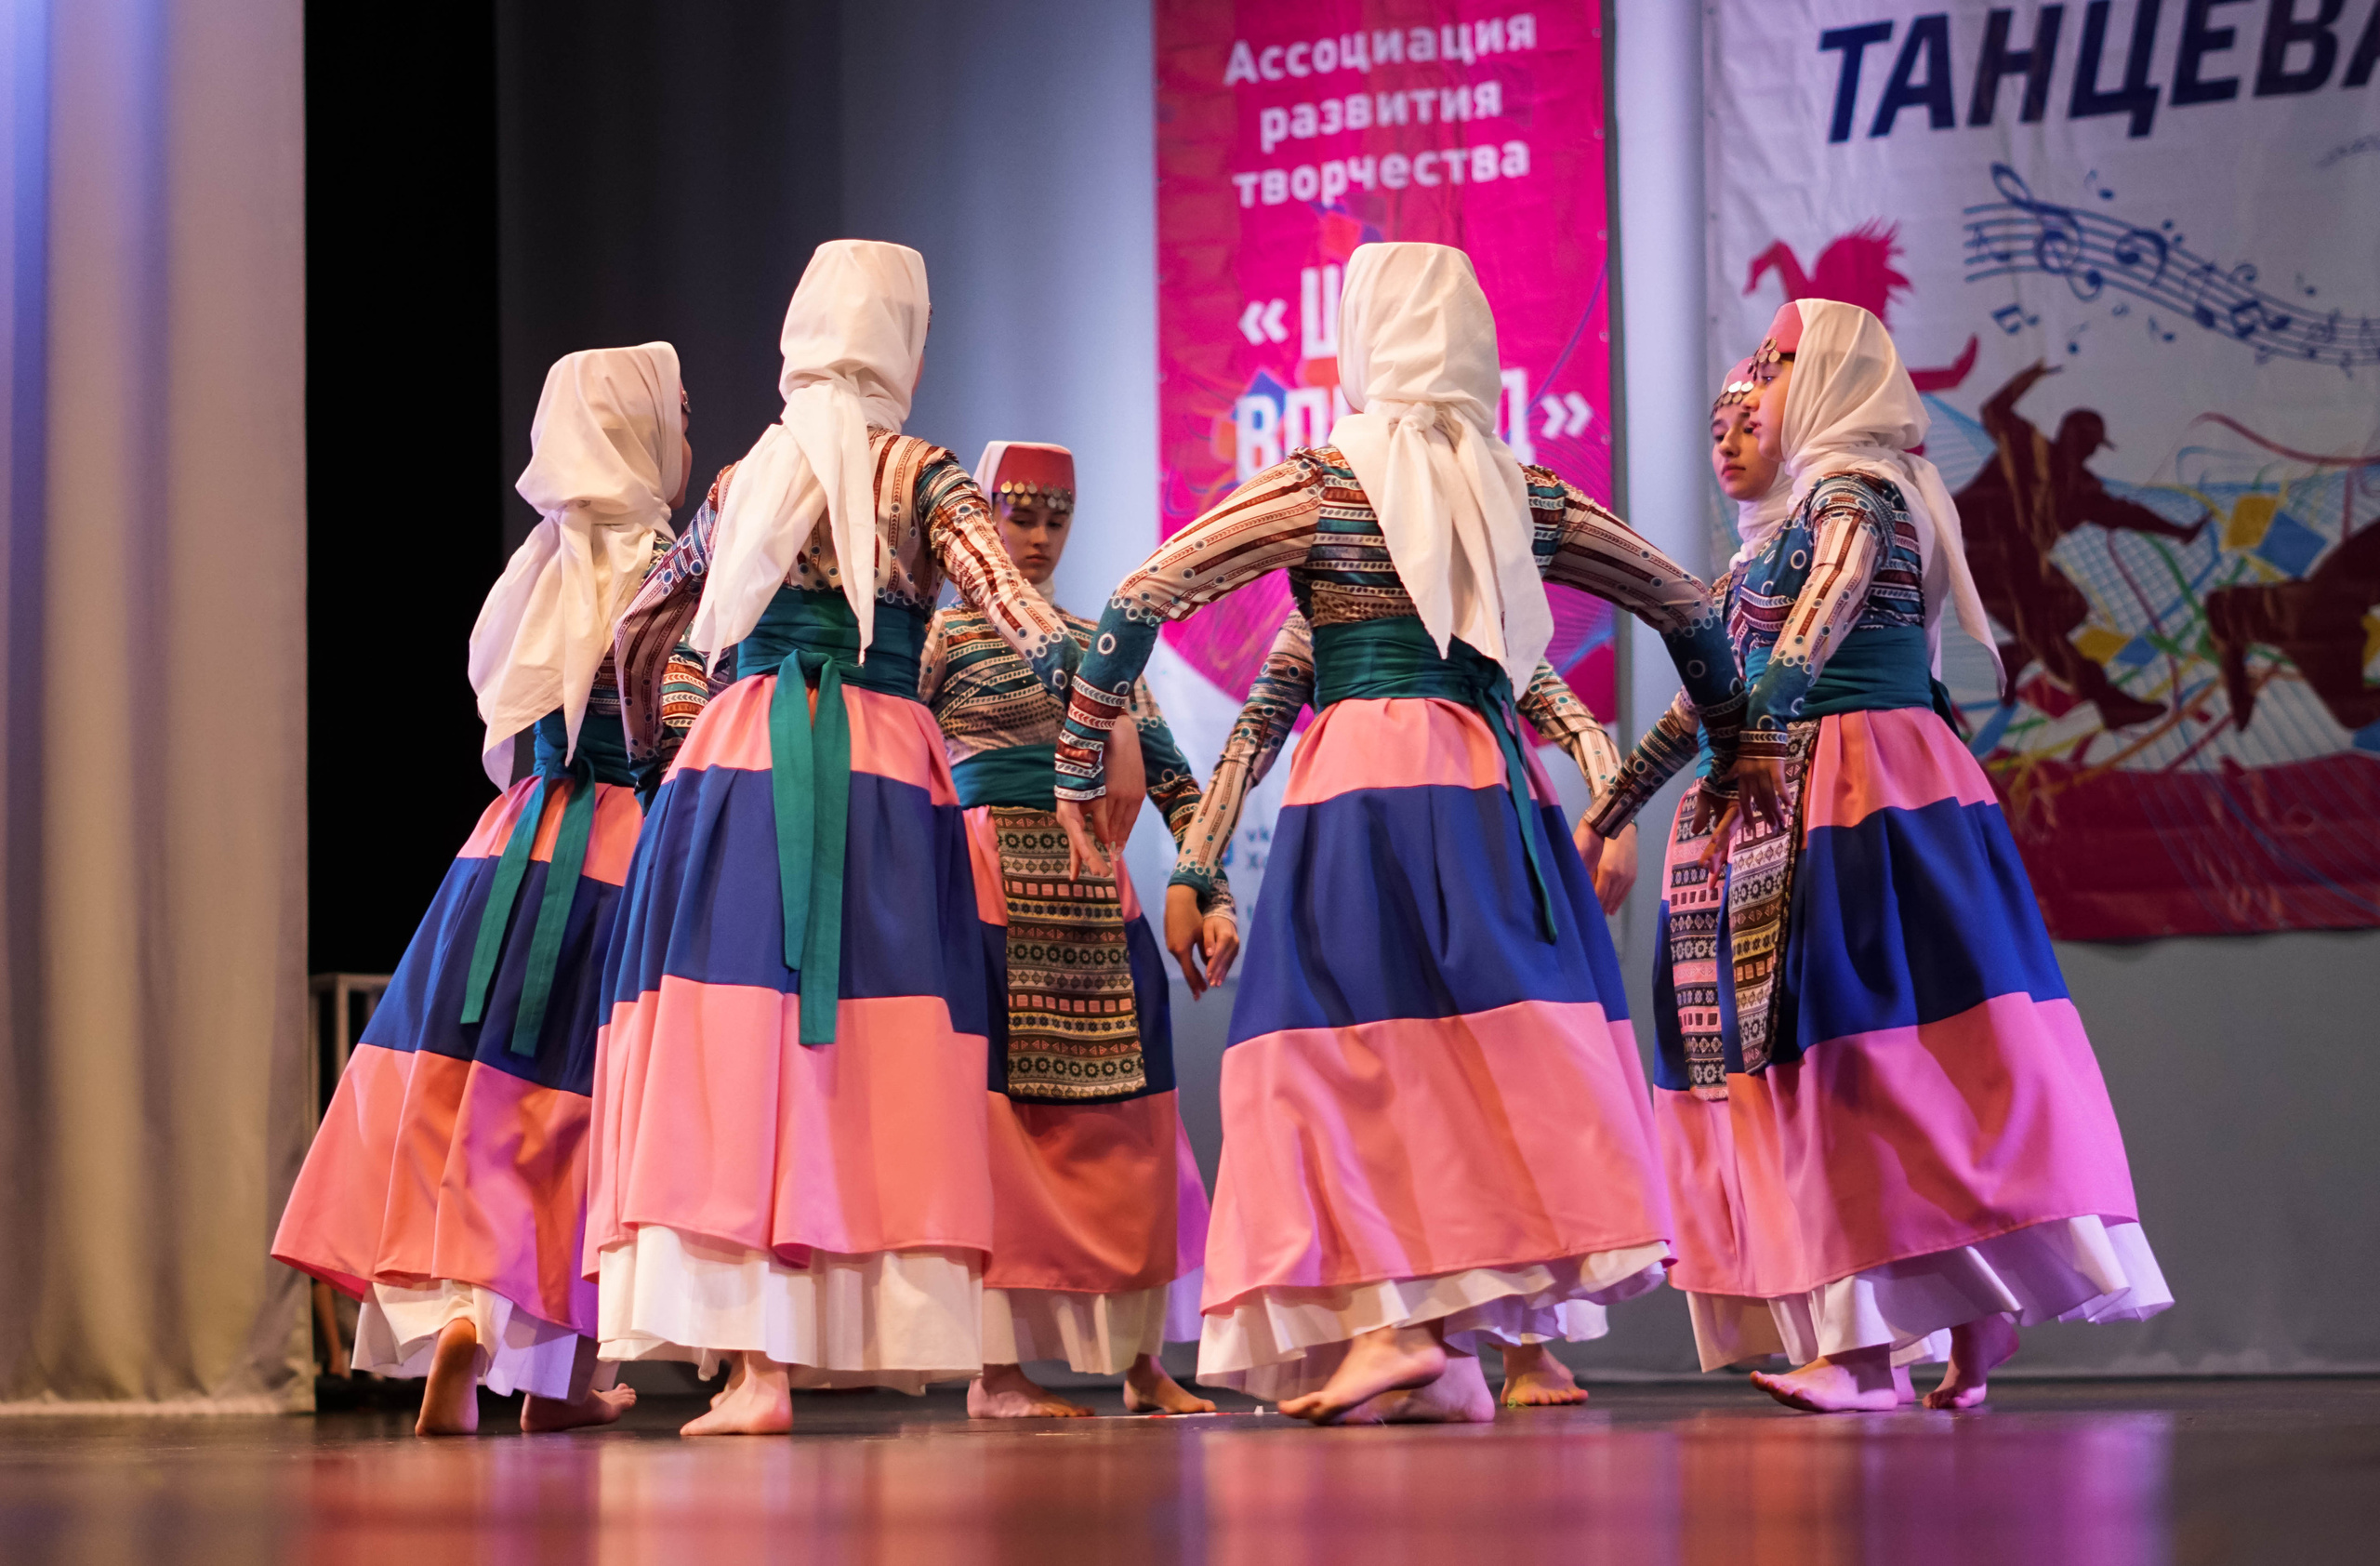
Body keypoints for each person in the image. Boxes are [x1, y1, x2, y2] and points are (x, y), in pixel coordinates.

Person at [1050, 242, 1746, 1424]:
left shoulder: (1322, 486)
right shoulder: (1520, 496)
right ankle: (1440, 1341)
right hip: (1490, 795)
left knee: (1330, 1054)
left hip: (1367, 788)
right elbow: (1684, 602)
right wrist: (1729, 750)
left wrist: (1081, 761)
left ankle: (1393, 1329)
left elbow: (1136, 600)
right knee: (1482, 1054)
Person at [584, 242, 1130, 1437]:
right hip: (879, 764)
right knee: (868, 1043)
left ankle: (753, 1369)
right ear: (904, 346)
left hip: (738, 764)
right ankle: (837, 1330)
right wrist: (1095, 731)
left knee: (741, 1039)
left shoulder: (742, 480)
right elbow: (1024, 614)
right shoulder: (921, 475)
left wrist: (659, 763)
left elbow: (646, 631)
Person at [1596, 299, 2172, 1413]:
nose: (1748, 390)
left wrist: (1756, 730)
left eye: (1773, 366)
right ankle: (1965, 1319)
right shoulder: (1790, 523)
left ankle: (1863, 1350)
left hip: (1859, 795)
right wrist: (1609, 806)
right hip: (1824, 787)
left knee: (1852, 1056)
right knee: (1881, 1064)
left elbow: (1818, 621)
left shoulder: (1856, 494)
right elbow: (1703, 696)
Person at [272, 344, 691, 1435]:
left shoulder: (539, 568)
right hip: (622, 847)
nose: (687, 440)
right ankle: (556, 1366)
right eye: (675, 418)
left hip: (510, 849)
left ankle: (473, 1321)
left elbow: (500, 724)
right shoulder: (671, 566)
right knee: (579, 1103)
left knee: (477, 1093)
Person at [1178, 604, 1633, 1411]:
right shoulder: (1325, 605)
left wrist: (1615, 807)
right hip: (1356, 836)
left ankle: (1443, 1337)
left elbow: (1568, 713)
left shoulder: (1481, 605)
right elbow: (1250, 737)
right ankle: (1415, 1339)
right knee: (1336, 1083)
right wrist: (1196, 869)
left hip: (1459, 837)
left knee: (1473, 1082)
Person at [919, 441, 1229, 1418]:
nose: (1040, 535)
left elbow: (1175, 775)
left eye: (1057, 516)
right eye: (1021, 514)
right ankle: (996, 1371)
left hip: (1097, 896)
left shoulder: (1102, 643)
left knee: (1134, 1124)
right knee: (1000, 1129)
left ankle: (1142, 1363)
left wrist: (1208, 885)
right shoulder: (940, 641)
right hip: (985, 891)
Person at [1955, 361, 2206, 729]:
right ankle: (2107, 701)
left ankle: (2018, 653)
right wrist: (2029, 376)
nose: (2084, 454)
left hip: (2021, 562)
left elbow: (2128, 513)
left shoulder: (2081, 488)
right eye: (2085, 445)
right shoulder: (2028, 445)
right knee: (2047, 632)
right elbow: (1994, 411)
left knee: (2070, 607)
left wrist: (2179, 531)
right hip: (1988, 558)